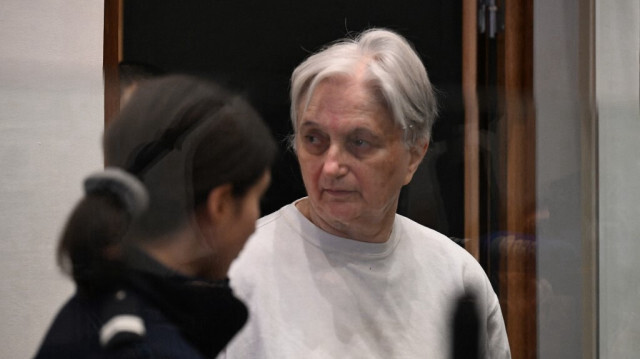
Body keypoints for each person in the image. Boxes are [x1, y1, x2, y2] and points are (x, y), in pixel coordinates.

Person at [221, 28, 511, 358]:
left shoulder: (456, 277)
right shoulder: (233, 271)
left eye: (359, 142)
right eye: (315, 139)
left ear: (414, 154)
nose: (331, 166)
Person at [34, 75, 277, 358]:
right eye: (257, 198)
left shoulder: (98, 308)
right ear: (220, 205)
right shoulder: (150, 347)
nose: (254, 221)